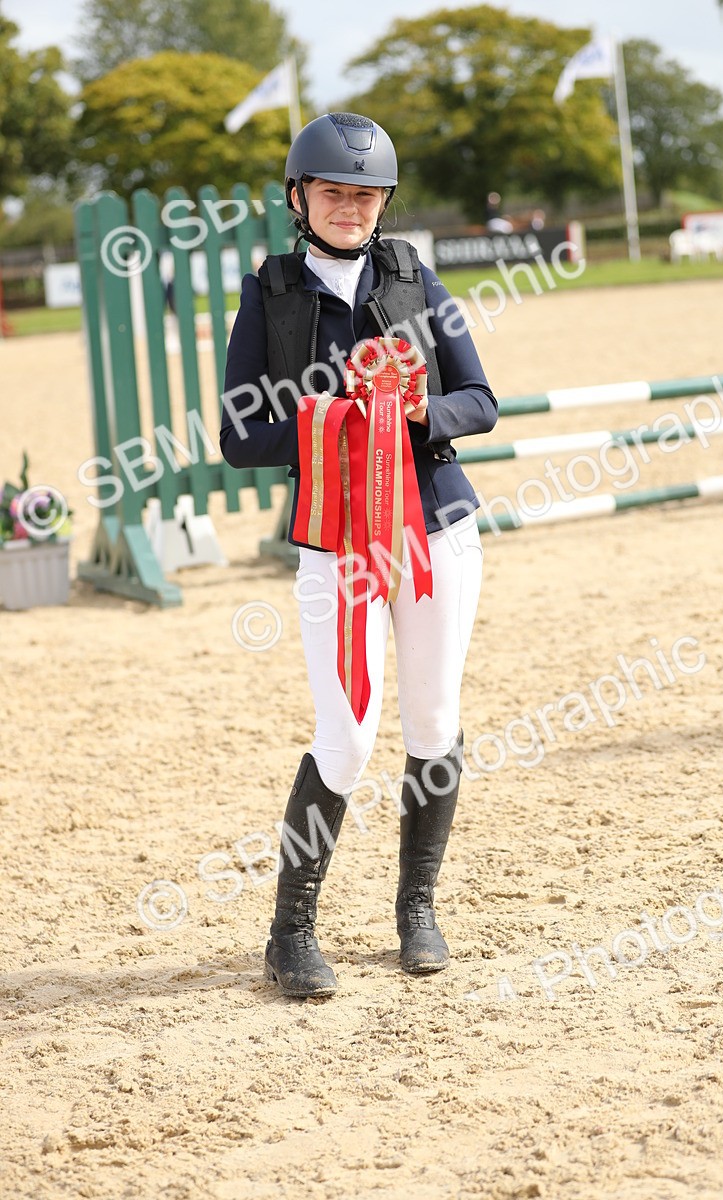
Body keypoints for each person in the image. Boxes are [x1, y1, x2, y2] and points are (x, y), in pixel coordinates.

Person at [220, 112, 497, 999]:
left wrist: (416, 416)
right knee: (345, 735)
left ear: (383, 203)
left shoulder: (416, 275)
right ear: (299, 198)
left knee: (434, 722)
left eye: (366, 194)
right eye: (334, 192)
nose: (351, 207)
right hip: (335, 542)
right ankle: (290, 932)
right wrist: (334, 420)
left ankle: (417, 910)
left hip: (435, 531)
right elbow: (236, 437)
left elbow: (482, 399)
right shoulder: (267, 292)